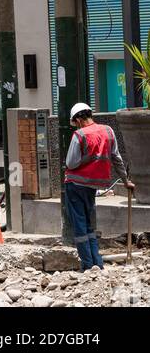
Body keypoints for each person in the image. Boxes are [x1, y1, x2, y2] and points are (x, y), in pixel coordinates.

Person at [64, 102, 134, 271]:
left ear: (78, 119)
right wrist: (125, 181)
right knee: (89, 224)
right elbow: (116, 158)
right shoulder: (108, 131)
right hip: (94, 185)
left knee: (80, 225)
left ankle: (87, 265)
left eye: (75, 122)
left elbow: (70, 163)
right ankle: (97, 263)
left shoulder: (79, 135)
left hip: (75, 184)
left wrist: (85, 159)